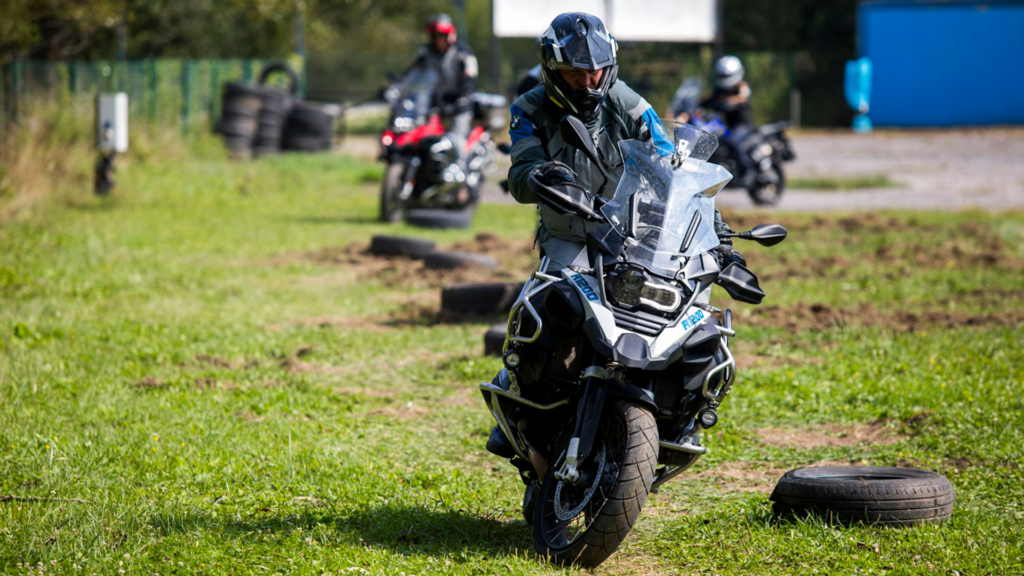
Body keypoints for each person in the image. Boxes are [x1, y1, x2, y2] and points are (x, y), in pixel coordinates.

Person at [487, 12, 738, 458]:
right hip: (568, 231)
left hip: (631, 230)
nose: (587, 82)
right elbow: (521, 171)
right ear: (551, 68)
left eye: (596, 72)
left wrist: (717, 234)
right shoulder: (529, 107)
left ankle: (681, 415)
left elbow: (677, 170)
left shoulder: (630, 105)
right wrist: (543, 175)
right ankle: (520, 394)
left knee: (687, 307)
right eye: (574, 73)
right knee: (546, 303)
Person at [405, 13, 479, 171]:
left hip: (458, 104)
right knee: (418, 134)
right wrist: (400, 88)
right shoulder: (425, 52)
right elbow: (412, 74)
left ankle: (461, 175)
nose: (439, 40)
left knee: (457, 140)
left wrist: (463, 97)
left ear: (450, 35)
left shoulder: (463, 51)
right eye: (435, 36)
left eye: (442, 36)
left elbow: (470, 78)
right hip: (433, 103)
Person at [702, 55, 757, 188]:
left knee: (733, 141)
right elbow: (710, 100)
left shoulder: (742, 87)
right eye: (721, 75)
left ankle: (749, 170)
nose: (723, 79)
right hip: (727, 126)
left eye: (725, 76)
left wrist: (730, 102)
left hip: (742, 126)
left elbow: (741, 98)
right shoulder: (720, 90)